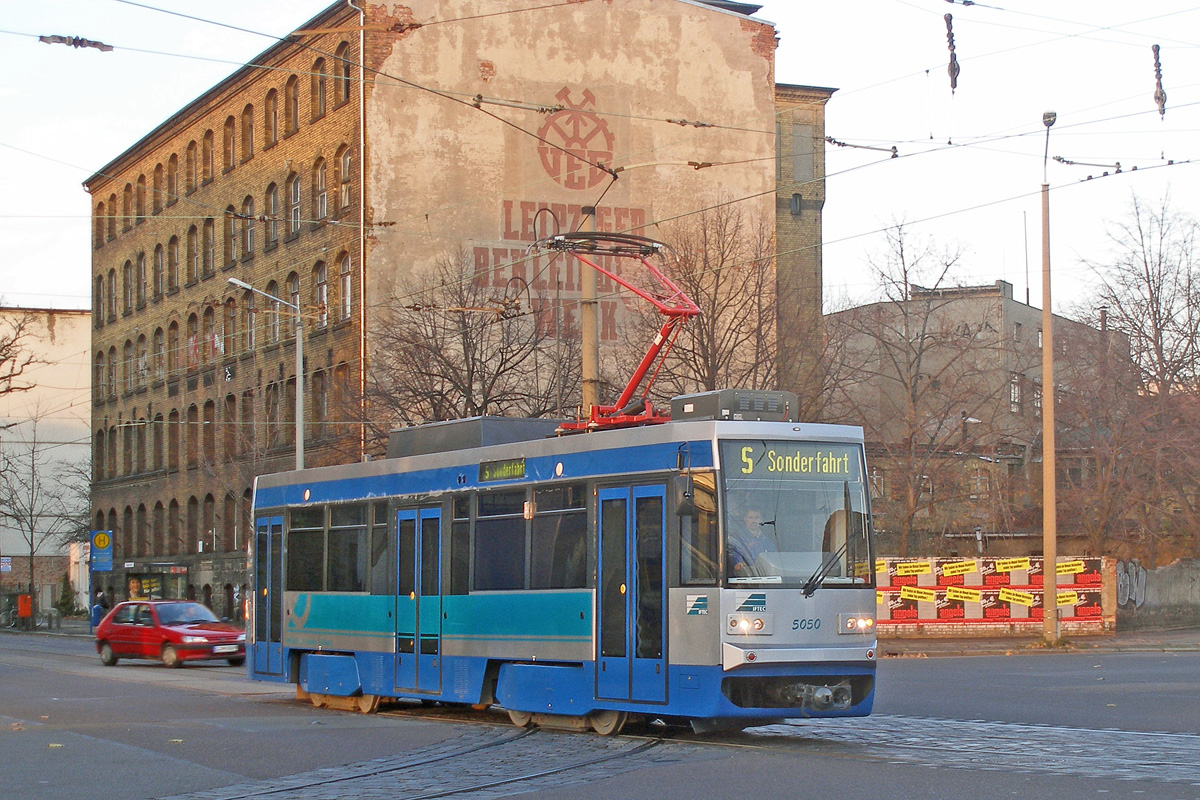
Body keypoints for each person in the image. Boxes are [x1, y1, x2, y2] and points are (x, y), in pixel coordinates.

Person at [727, 508, 777, 577]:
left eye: (756, 517)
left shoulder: (767, 541)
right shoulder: (737, 539)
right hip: (746, 581)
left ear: (761, 520)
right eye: (750, 517)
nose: (753, 521)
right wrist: (738, 563)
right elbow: (733, 554)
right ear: (745, 519)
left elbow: (774, 560)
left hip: (767, 579)